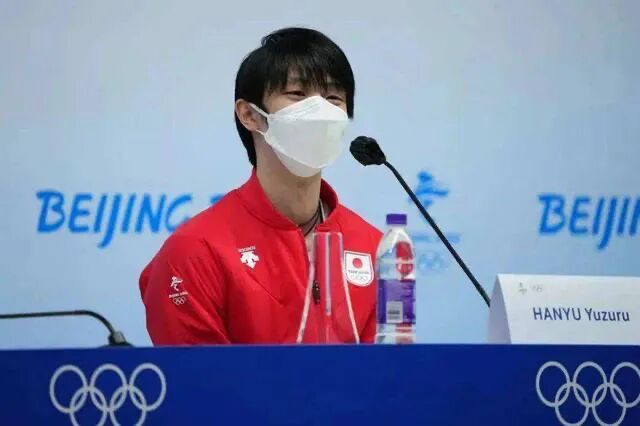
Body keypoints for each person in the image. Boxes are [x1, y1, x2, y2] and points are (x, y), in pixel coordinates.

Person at [139, 27, 381, 344]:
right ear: (249, 114)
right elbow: (197, 375)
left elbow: (388, 369)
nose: (320, 112)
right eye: (297, 94)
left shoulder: (374, 246)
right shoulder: (196, 250)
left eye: (333, 98)